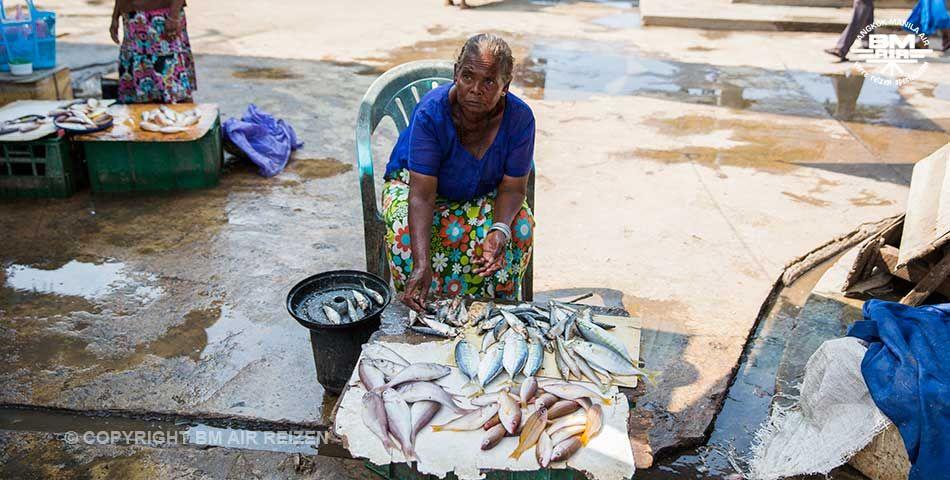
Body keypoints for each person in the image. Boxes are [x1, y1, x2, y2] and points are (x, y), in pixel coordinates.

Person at [381, 33, 535, 311]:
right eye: (467, 77)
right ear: (455, 75)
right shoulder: (432, 113)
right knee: (404, 231)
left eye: (489, 81)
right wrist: (422, 263)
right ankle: (426, 306)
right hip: (415, 185)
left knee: (520, 225)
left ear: (505, 86)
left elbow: (513, 188)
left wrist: (499, 229)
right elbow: (422, 196)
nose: (475, 89)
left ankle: (493, 310)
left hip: (480, 189)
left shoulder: (520, 119)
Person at [110, 0, 196, 103]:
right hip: (132, 19)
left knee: (169, 80)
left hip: (161, 16)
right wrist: (115, 16)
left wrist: (173, 16)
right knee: (138, 88)